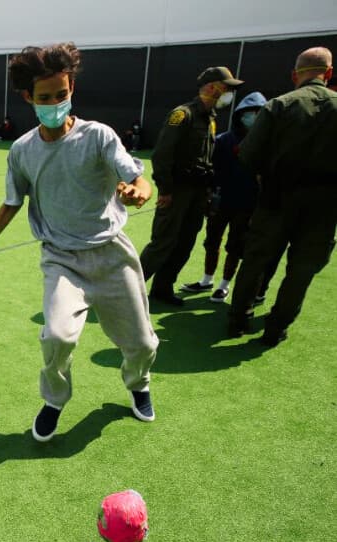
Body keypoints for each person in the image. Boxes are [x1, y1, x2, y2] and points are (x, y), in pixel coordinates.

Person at [0, 43, 158, 442]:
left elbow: (140, 179)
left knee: (141, 343)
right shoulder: (22, 151)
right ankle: (54, 399)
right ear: (28, 98)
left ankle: (138, 384)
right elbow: (12, 201)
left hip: (111, 254)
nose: (55, 103)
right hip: (61, 259)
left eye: (62, 95)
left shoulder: (98, 136)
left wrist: (139, 192)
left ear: (71, 90)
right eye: (45, 98)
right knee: (57, 336)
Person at [228, 47, 337, 346]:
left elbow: (248, 154)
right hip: (324, 208)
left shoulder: (279, 106)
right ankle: (276, 328)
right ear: (328, 73)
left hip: (276, 199)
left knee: (255, 261)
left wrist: (265, 174)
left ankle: (238, 320)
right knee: (301, 270)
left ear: (295, 75)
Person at [138, 66, 244, 306]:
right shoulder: (183, 115)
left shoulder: (211, 119)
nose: (228, 93)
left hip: (197, 193)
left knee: (185, 243)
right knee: (162, 243)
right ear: (210, 87)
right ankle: (127, 291)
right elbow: (162, 155)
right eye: (225, 87)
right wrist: (165, 190)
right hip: (176, 191)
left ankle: (162, 288)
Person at [180, 92, 273, 303]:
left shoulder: (267, 143)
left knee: (236, 245)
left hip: (248, 204)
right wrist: (209, 195)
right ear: (240, 115)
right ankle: (206, 280)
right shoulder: (223, 140)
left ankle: (224, 285)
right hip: (220, 202)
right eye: (249, 113)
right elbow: (211, 170)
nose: (253, 117)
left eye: (259, 113)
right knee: (212, 242)